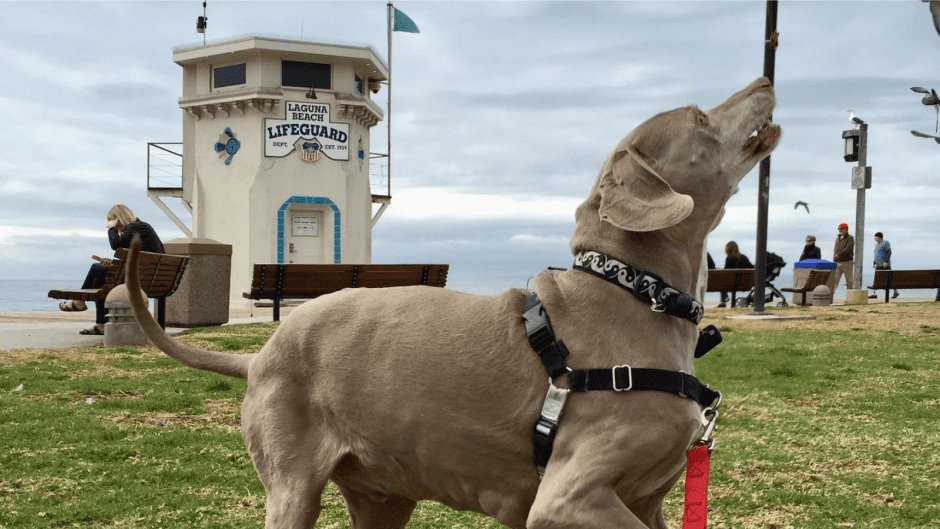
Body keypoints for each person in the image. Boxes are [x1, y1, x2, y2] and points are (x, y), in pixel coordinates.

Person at [59, 204, 165, 335]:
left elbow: (116, 244)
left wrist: (112, 228)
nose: (120, 230)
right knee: (99, 279)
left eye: (117, 224)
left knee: (95, 268)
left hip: (138, 280)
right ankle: (100, 324)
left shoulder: (136, 227)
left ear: (119, 219)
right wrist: (112, 263)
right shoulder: (142, 228)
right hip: (151, 279)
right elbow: (137, 260)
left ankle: (80, 301)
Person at [718, 241, 753, 308]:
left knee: (722, 282)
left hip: (731, 285)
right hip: (744, 285)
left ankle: (723, 302)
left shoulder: (729, 259)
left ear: (728, 249)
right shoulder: (744, 258)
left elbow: (726, 272)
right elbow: (752, 268)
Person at [870, 231, 899, 299]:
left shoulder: (885, 243)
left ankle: (895, 292)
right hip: (878, 265)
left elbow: (889, 252)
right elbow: (877, 255)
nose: (874, 238)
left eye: (875, 237)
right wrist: (874, 262)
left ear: (879, 237)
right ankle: (874, 293)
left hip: (884, 265)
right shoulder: (877, 245)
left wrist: (886, 261)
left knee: (889, 279)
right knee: (878, 279)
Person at [832, 222, 855, 292]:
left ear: (846, 229)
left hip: (847, 262)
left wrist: (838, 254)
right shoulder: (837, 239)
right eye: (839, 229)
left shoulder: (850, 238)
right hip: (838, 262)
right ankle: (830, 297)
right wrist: (834, 257)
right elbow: (836, 249)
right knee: (834, 280)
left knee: (849, 280)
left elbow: (848, 249)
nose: (840, 230)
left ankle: (850, 298)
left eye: (841, 229)